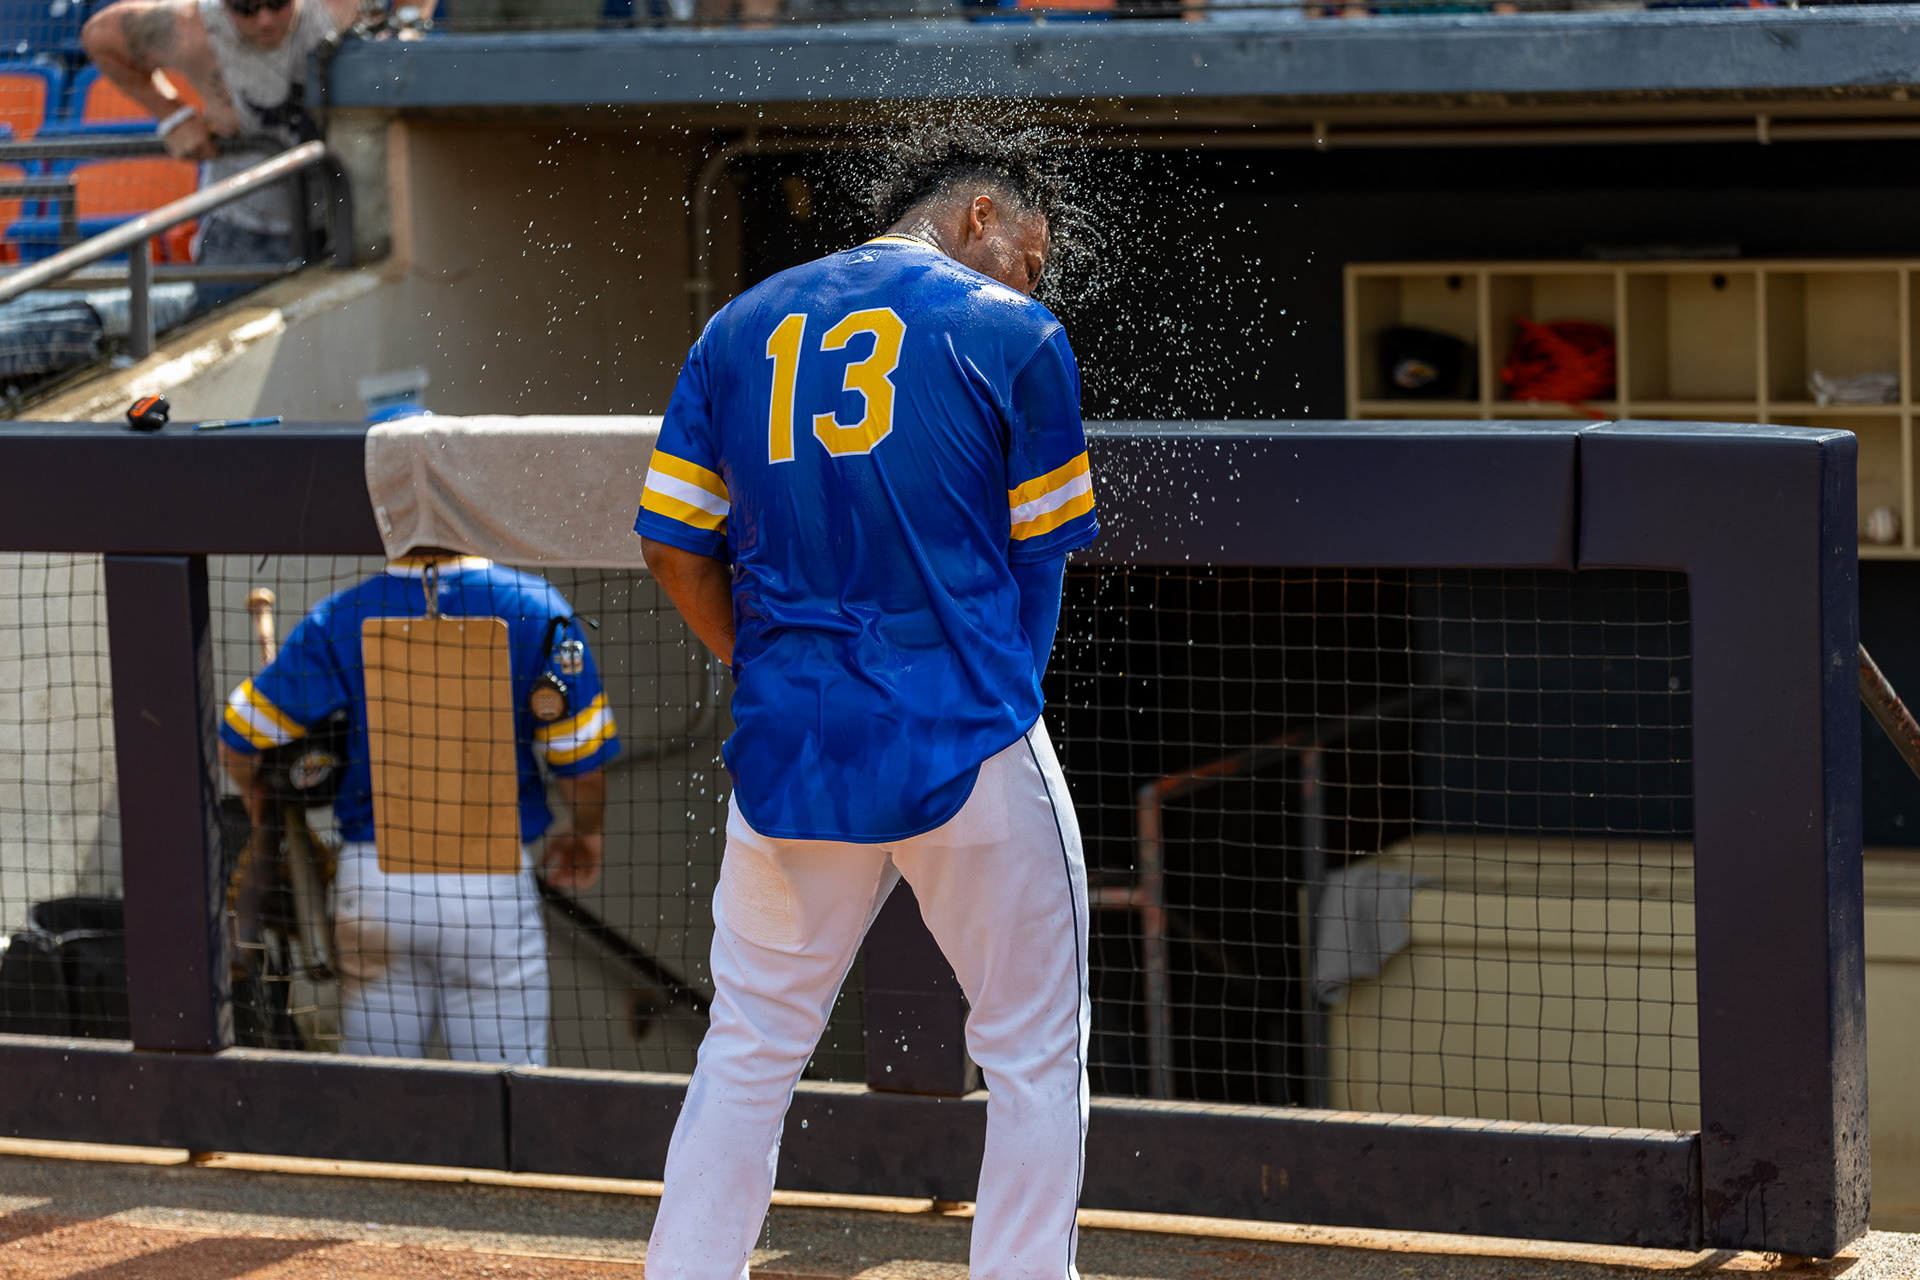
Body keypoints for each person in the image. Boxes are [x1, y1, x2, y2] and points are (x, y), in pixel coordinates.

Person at [635, 131, 1098, 1280]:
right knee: (1035, 1055)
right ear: (981, 213)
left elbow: (666, 542)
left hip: (793, 747)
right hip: (967, 737)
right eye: (1031, 256)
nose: (1032, 281)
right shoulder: (1016, 332)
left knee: (746, 1050)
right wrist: (1000, 699)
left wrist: (768, 672)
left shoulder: (735, 323)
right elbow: (1041, 563)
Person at [218, 552, 618, 1064]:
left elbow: (237, 742)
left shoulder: (342, 614)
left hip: (376, 887)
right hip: (488, 889)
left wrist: (263, 804)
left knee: (379, 1103)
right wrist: (586, 829)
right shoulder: (535, 606)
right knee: (509, 1105)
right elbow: (579, 758)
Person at [80, 0, 435, 276]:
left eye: (277, 3)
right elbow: (100, 35)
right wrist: (172, 115)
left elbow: (408, 20)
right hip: (242, 229)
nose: (265, 19)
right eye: (247, 7)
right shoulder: (193, 25)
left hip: (337, 222)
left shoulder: (334, 9)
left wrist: (406, 27)